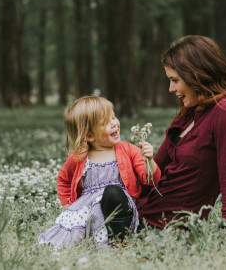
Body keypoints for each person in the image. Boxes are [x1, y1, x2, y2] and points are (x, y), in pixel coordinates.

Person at [136, 35, 226, 229]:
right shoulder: (188, 112)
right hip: (139, 214)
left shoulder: (225, 112)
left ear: (197, 75)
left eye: (175, 80)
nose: (171, 89)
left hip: (167, 228)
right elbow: (156, 170)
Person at [38, 96, 161, 248]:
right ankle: (94, 239)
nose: (115, 123)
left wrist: (149, 161)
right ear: (89, 135)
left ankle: (119, 239)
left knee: (113, 192)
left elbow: (150, 180)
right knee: (73, 235)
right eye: (106, 123)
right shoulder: (79, 156)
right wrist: (67, 204)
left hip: (120, 206)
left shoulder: (129, 150)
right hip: (90, 209)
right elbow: (63, 179)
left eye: (114, 117)